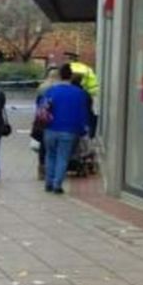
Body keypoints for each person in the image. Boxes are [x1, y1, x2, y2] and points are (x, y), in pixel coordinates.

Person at [41, 64, 90, 194]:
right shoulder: (79, 93)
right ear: (71, 76)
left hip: (50, 128)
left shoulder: (51, 91)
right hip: (69, 130)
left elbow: (42, 109)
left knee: (50, 155)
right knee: (63, 157)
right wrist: (83, 130)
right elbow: (83, 114)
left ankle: (48, 183)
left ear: (59, 76)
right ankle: (57, 184)